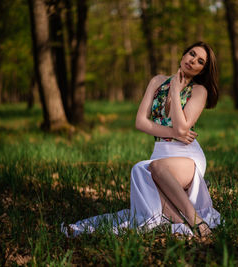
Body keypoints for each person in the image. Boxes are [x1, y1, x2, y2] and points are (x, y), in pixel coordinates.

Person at [61, 41, 220, 237]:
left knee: (155, 168)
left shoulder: (199, 91)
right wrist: (173, 133)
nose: (192, 60)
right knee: (140, 169)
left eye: (200, 61)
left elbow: (181, 127)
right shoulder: (157, 81)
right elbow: (140, 122)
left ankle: (195, 219)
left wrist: (175, 92)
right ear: (183, 54)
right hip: (161, 152)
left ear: (202, 70)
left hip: (187, 156)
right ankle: (187, 226)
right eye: (191, 54)